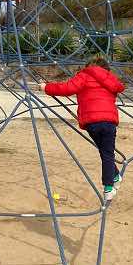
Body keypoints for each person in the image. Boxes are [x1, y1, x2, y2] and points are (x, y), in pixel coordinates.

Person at [44, 56, 125, 201]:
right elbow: (119, 88)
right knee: (107, 153)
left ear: (88, 66)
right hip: (109, 121)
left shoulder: (84, 76)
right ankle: (111, 183)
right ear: (106, 68)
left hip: (91, 122)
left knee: (105, 152)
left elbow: (66, 88)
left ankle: (111, 182)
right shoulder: (110, 79)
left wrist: (46, 87)